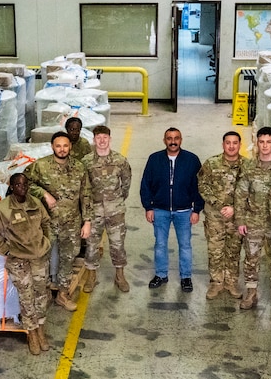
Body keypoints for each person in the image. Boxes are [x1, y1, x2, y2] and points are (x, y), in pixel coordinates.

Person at [24, 131, 92, 311]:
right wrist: (44, 194)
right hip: (48, 223)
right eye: (58, 146)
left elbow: (86, 195)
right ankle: (43, 294)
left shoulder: (79, 167)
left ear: (70, 147)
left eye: (65, 146)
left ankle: (63, 294)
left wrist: (87, 222)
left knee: (68, 259)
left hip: (71, 222)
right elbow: (23, 184)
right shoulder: (41, 166)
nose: (62, 149)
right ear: (52, 147)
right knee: (42, 259)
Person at [0, 173, 53, 355]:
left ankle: (41, 329)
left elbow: (47, 223)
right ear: (12, 186)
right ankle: (31, 332)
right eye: (17, 185)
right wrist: (8, 251)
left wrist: (46, 242)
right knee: (26, 296)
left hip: (39, 257)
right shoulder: (3, 209)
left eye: (24, 184)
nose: (21, 188)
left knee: (41, 293)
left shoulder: (35, 203)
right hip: (19, 261)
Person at [141, 127, 204, 292]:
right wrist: (149, 207)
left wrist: (196, 209)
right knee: (160, 244)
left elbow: (200, 187)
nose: (173, 141)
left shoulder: (192, 160)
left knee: (185, 245)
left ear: (181, 140)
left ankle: (186, 277)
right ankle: (161, 274)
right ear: (164, 140)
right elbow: (145, 185)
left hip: (184, 211)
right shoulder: (154, 159)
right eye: (169, 138)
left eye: (176, 138)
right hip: (160, 210)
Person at [81, 125, 132, 293]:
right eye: (98, 138)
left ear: (110, 139)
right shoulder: (86, 162)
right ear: (94, 140)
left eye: (105, 137)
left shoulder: (120, 160)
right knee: (91, 245)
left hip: (115, 210)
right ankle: (91, 276)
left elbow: (126, 184)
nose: (102, 141)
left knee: (118, 244)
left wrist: (115, 201)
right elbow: (84, 189)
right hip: (94, 211)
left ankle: (120, 275)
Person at [235, 127, 271, 309]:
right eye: (261, 142)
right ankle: (251, 293)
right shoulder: (248, 167)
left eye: (268, 142)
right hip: (253, 221)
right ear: (256, 143)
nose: (265, 146)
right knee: (251, 259)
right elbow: (240, 195)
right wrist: (240, 221)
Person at [197, 130, 243, 300]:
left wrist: (234, 208)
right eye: (228, 142)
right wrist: (219, 205)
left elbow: (250, 191)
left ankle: (231, 282)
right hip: (215, 216)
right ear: (223, 144)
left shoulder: (247, 166)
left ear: (239, 144)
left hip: (236, 217)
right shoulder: (211, 164)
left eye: (235, 143)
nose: (231, 146)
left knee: (233, 251)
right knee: (215, 250)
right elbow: (202, 185)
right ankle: (216, 283)